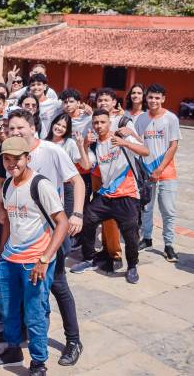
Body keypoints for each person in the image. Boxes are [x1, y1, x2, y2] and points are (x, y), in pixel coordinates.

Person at [0, 137, 69, 376]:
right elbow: (9, 225)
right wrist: (0, 255)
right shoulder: (8, 185)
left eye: (17, 159)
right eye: (7, 159)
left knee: (35, 313)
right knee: (8, 309)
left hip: (35, 261)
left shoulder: (41, 185)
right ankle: (13, 350)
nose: (12, 164)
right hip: (10, 260)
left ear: (28, 158)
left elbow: (62, 223)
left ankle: (38, 363)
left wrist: (44, 259)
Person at [70, 110, 149, 284]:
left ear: (109, 123)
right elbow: (86, 165)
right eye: (95, 123)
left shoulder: (122, 136)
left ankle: (132, 266)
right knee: (87, 220)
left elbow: (145, 151)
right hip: (106, 194)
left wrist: (125, 143)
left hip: (128, 194)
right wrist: (82, 145)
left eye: (102, 122)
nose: (99, 126)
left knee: (130, 234)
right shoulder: (94, 144)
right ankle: (89, 259)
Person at [136, 84, 181, 263]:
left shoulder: (171, 118)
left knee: (168, 210)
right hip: (147, 172)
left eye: (157, 97)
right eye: (150, 97)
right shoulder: (141, 119)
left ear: (163, 99)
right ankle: (147, 238)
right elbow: (138, 143)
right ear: (146, 99)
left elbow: (173, 145)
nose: (153, 100)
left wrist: (160, 168)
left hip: (166, 172)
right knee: (147, 208)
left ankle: (169, 245)